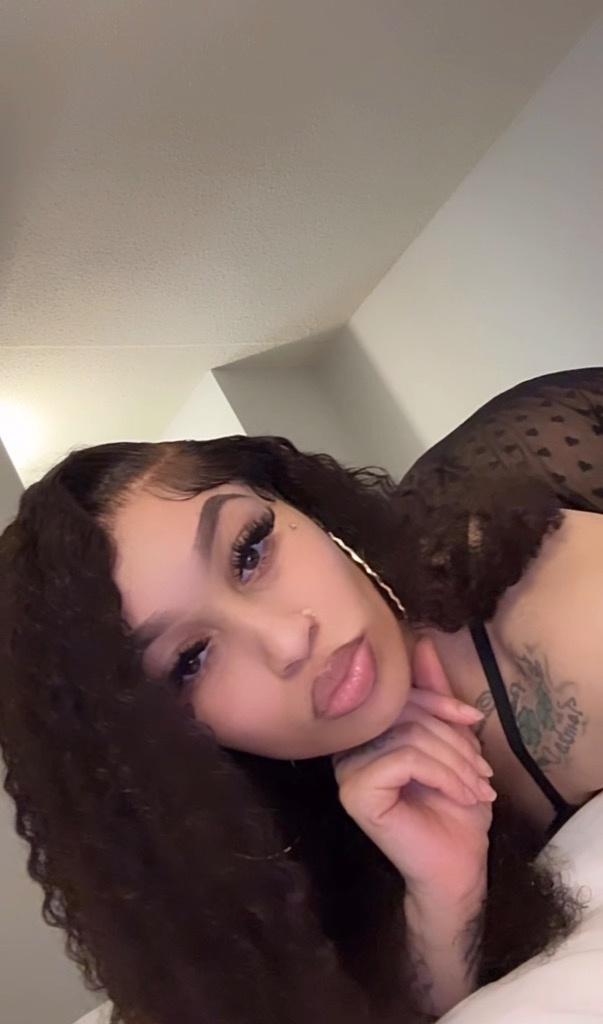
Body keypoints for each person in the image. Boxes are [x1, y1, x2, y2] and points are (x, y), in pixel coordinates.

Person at [0, 366, 601, 1024]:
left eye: (250, 551)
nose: (287, 641)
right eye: (191, 660)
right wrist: (445, 898)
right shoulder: (257, 868)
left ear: (306, 512)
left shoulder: (552, 604)